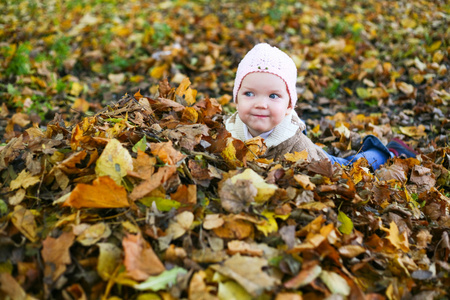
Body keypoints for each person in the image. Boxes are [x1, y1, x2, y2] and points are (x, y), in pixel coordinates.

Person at [225, 43, 416, 170]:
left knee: (350, 166)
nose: (260, 104)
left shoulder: (299, 149)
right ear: (236, 98)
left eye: (273, 96)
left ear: (289, 105)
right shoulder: (228, 130)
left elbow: (325, 177)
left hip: (321, 162)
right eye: (249, 94)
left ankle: (389, 152)